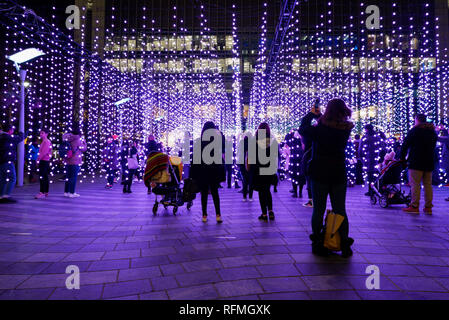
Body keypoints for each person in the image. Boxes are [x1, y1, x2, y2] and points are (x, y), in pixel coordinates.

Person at [299, 98, 355, 258]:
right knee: (340, 209)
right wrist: (320, 116)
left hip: (319, 172)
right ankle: (344, 243)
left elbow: (303, 129)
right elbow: (331, 124)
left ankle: (317, 242)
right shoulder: (345, 128)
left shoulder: (320, 129)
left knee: (318, 209)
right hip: (338, 172)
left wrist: (311, 114)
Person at [400, 114, 438, 214]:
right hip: (429, 161)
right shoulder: (432, 132)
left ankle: (414, 206)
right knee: (428, 185)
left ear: (417, 120)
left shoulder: (414, 131)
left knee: (415, 184)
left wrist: (402, 159)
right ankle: (428, 207)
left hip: (416, 161)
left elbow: (405, 145)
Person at [190, 121, 225, 224]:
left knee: (204, 193)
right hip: (214, 171)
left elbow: (195, 159)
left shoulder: (199, 142)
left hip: (202, 171)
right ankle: (218, 215)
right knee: (215, 193)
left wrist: (193, 174)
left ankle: (204, 215)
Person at [252, 123, 278, 221]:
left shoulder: (255, 140)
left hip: (258, 169)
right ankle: (271, 211)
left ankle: (264, 214)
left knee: (261, 192)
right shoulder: (271, 140)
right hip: (269, 169)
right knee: (267, 191)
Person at [0, 124, 24, 203]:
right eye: (12, 129)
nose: (13, 131)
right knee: (12, 178)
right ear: (9, 130)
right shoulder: (8, 137)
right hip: (8, 161)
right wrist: (22, 133)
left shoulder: (2, 137)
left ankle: (1, 196)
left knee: (3, 179)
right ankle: (6, 196)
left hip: (1, 162)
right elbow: (19, 138)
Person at [63, 126, 87, 198]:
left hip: (67, 160)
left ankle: (66, 192)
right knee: (73, 177)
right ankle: (72, 192)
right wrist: (84, 143)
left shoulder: (67, 138)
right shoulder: (78, 139)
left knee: (68, 177)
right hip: (75, 161)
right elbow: (83, 149)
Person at [360, 124, 384, 196]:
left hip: (368, 160)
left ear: (366, 129)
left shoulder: (365, 138)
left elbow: (360, 150)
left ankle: (370, 191)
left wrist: (362, 158)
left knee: (370, 176)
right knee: (376, 175)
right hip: (377, 159)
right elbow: (383, 147)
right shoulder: (377, 137)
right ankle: (376, 189)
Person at [35, 129, 52, 199]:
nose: (41, 134)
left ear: (46, 134)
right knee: (44, 176)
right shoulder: (44, 141)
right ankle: (45, 192)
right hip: (44, 160)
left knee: (42, 176)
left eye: (42, 133)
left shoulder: (46, 142)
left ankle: (42, 192)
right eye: (40, 133)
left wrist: (38, 159)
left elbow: (43, 152)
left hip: (44, 161)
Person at [288, 130, 306, 198]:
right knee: (301, 178)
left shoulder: (293, 143)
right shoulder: (303, 143)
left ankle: (295, 192)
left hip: (294, 163)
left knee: (294, 177)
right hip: (301, 163)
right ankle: (300, 192)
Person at [238, 133, 255, 202]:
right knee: (251, 182)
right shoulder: (252, 145)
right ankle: (250, 197)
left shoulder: (241, 145)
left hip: (243, 165)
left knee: (245, 181)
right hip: (251, 165)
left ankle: (244, 197)